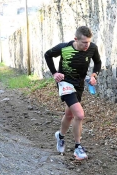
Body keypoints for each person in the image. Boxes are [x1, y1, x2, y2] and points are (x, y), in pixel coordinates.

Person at [44, 26, 101, 160]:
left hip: (79, 84)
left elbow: (98, 62)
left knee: (69, 114)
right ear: (76, 39)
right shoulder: (64, 48)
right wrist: (54, 73)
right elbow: (48, 55)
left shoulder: (92, 48)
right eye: (84, 42)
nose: (87, 45)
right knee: (79, 115)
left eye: (88, 42)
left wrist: (94, 75)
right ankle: (78, 148)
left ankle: (60, 136)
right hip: (65, 83)